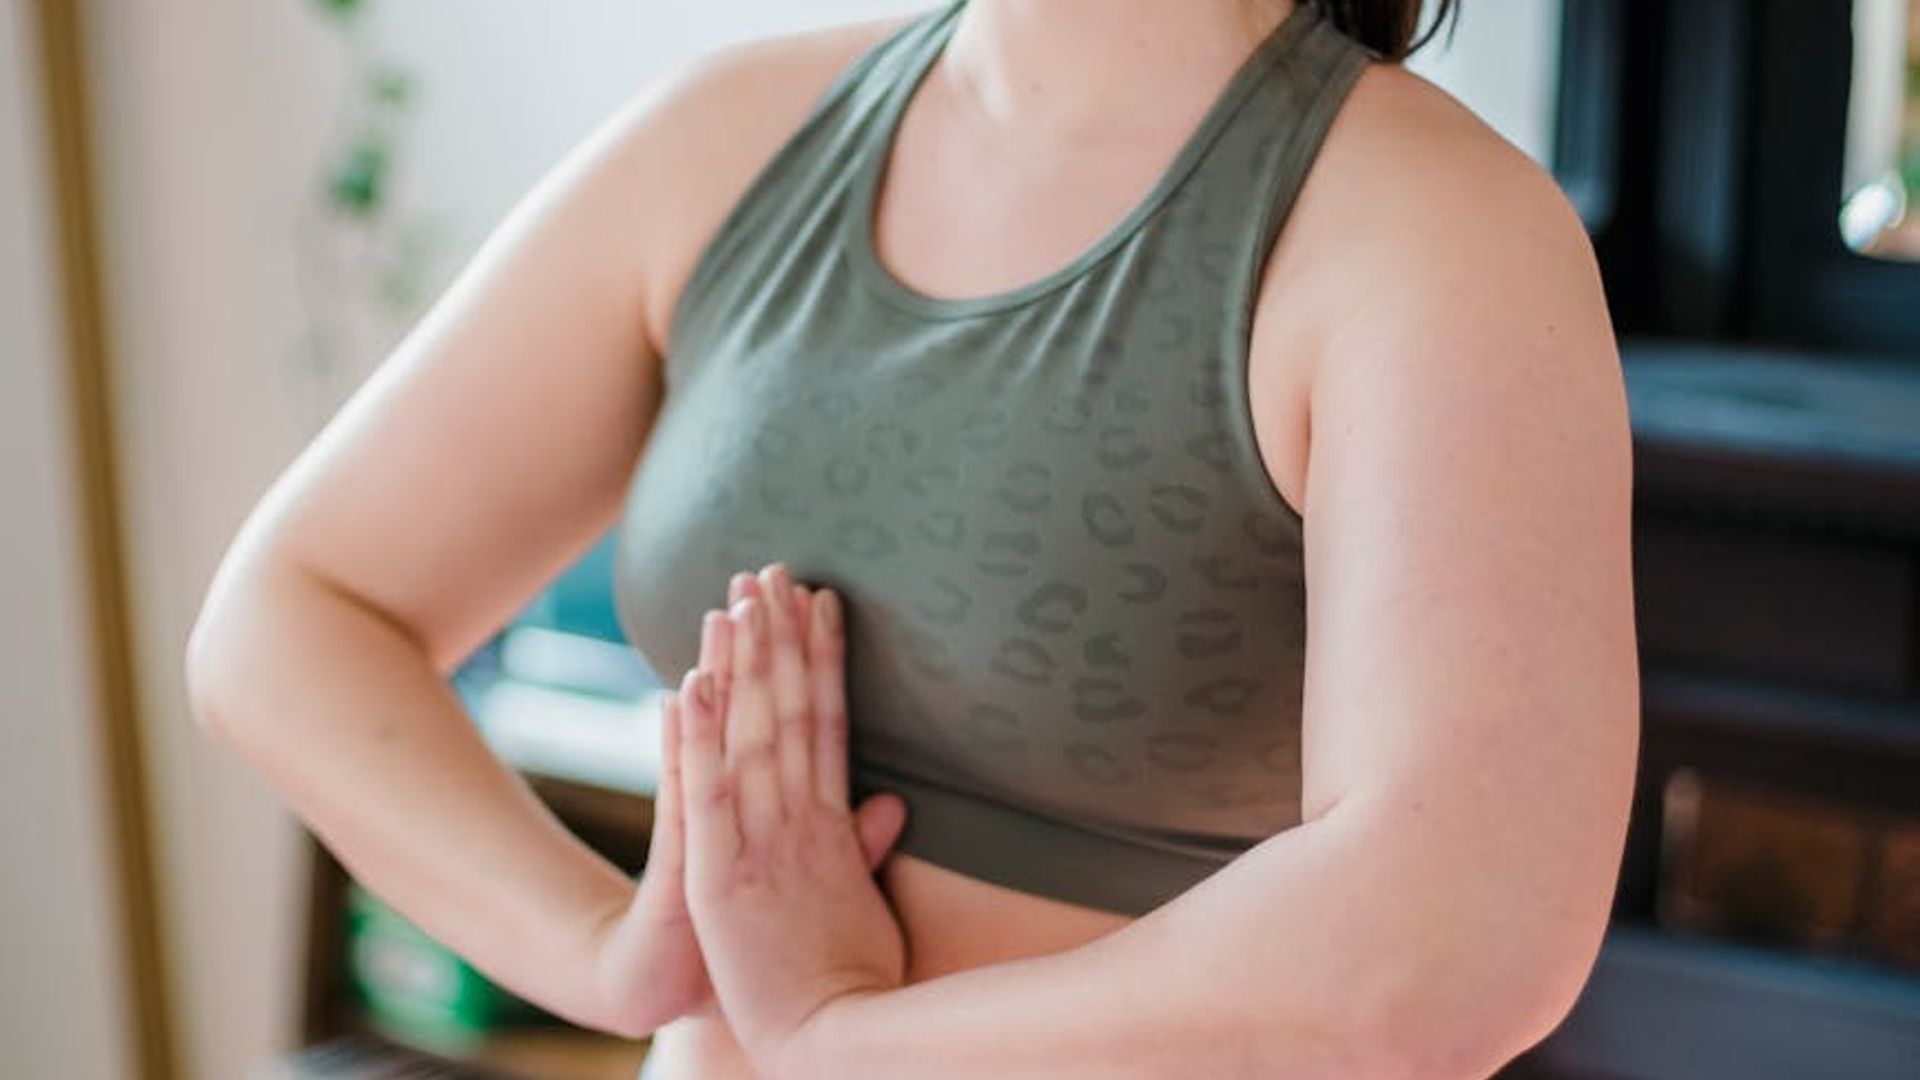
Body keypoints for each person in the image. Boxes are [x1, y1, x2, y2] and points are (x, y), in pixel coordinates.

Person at [185, 0, 1640, 1077]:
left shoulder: (1438, 237)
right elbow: (295, 615)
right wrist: (605, 952)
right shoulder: (728, 137)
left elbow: (1450, 952)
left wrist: (843, 1044)